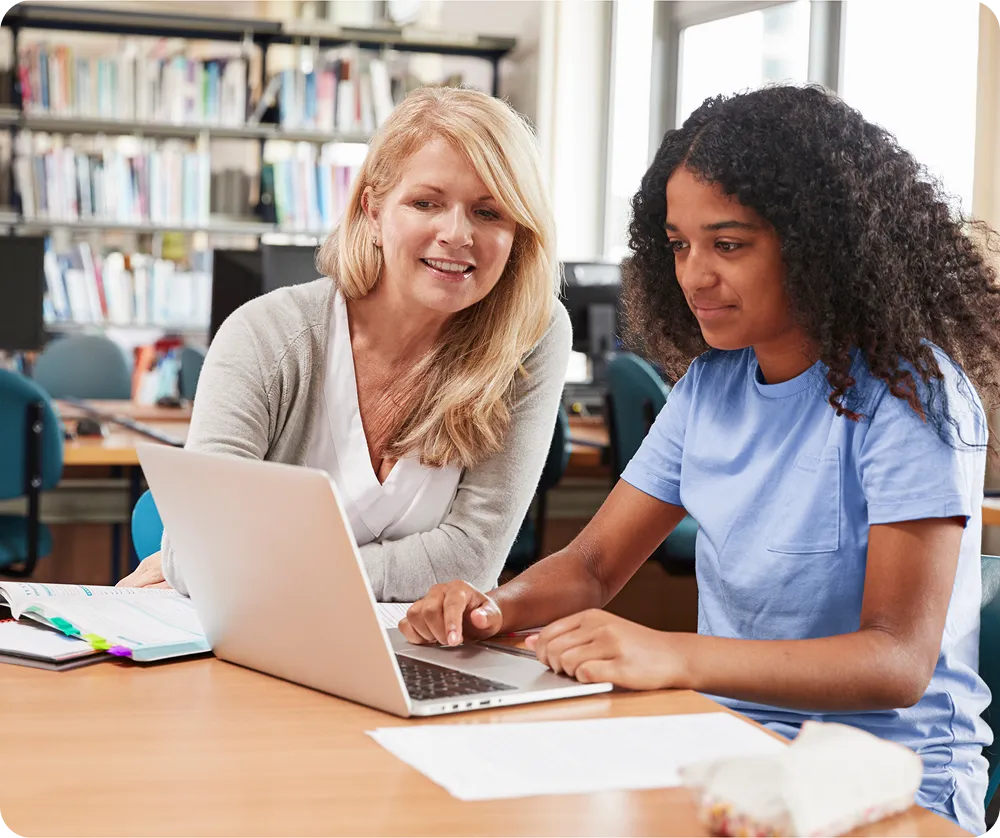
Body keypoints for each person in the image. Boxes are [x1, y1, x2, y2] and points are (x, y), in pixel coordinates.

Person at [399, 84, 1000, 834]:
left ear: (817, 243)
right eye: (679, 246)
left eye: (729, 244)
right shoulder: (712, 385)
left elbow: (896, 662)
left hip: (882, 785)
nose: (694, 276)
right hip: (728, 754)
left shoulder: (911, 397)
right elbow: (591, 567)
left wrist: (677, 655)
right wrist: (495, 609)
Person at [117, 86, 570, 601]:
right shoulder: (265, 336)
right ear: (373, 210)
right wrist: (217, 563)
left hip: (415, 660)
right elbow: (200, 555)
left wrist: (260, 569)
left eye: (489, 213)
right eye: (426, 202)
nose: (456, 233)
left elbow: (472, 560)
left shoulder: (529, 331)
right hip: (250, 644)